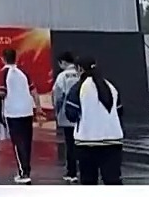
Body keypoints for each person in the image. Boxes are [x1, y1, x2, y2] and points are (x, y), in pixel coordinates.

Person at [64, 55, 124, 185]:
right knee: (113, 181)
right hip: (113, 140)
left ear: (80, 69)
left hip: (87, 141)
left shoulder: (78, 88)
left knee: (89, 182)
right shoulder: (111, 87)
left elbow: (71, 114)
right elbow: (119, 111)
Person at [0, 48, 41, 184]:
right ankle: (26, 169)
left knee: (18, 143)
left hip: (13, 113)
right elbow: (34, 91)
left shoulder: (4, 73)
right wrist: (38, 108)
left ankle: (24, 173)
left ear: (3, 58)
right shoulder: (24, 72)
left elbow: (2, 93)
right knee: (27, 142)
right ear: (16, 58)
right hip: (27, 111)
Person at [52, 52, 82, 183]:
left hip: (68, 114)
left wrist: (57, 111)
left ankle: (72, 172)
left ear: (63, 62)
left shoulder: (62, 76)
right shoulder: (81, 74)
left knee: (70, 144)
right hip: (83, 115)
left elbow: (58, 95)